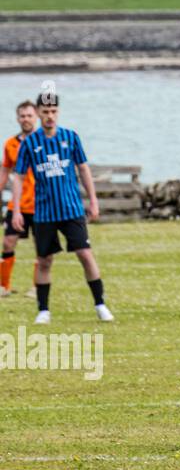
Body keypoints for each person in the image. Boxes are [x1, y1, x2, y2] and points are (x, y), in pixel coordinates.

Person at [0, 91, 113, 324]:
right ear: (39, 113)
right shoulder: (29, 143)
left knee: (85, 254)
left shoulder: (71, 138)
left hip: (71, 209)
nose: (50, 116)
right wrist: (17, 209)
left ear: (58, 112)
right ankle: (43, 310)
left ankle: (100, 304)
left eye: (53, 112)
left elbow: (83, 169)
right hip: (44, 212)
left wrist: (93, 200)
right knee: (44, 260)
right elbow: (19, 177)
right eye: (46, 112)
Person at [1, 101, 39, 299]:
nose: (26, 119)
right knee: (7, 243)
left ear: (37, 117)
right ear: (17, 119)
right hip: (17, 204)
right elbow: (5, 171)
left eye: (29, 115)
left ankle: (37, 287)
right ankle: (4, 286)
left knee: (41, 247)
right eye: (22, 116)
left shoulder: (45, 142)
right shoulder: (10, 144)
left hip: (40, 203)